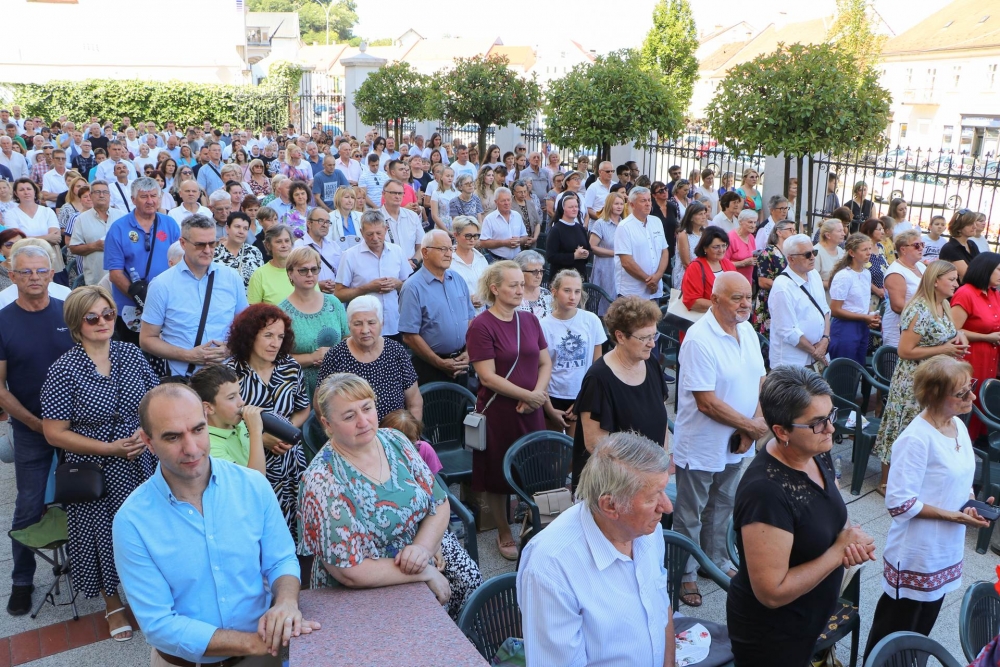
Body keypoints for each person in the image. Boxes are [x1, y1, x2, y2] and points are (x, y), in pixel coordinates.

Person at [113, 383, 319, 667]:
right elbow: (159, 624)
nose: (191, 447)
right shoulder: (132, 521)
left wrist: (286, 602)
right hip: (198, 659)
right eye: (172, 437)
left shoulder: (252, 485)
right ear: (148, 442)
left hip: (260, 657)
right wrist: (256, 643)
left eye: (198, 429)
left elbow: (281, 559)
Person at [298, 373, 481, 619]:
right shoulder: (321, 480)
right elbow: (349, 572)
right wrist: (422, 571)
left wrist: (423, 549)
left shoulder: (395, 440)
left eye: (367, 408)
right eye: (350, 416)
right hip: (365, 587)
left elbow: (439, 502)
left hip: (420, 549)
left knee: (473, 592)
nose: (363, 421)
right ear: (327, 424)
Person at [727, 366, 876, 665]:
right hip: (773, 636)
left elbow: (830, 504)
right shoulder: (765, 492)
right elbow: (772, 592)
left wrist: (850, 538)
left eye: (830, 416)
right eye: (818, 423)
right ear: (782, 431)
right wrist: (837, 553)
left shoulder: (815, 449)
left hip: (809, 619)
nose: (831, 429)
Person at [40, 286, 158, 640]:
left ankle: (150, 595)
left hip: (141, 460)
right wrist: (108, 449)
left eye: (108, 314)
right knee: (103, 536)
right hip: (96, 467)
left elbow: (155, 397)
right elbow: (53, 432)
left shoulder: (130, 353)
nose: (103, 322)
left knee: (150, 531)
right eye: (92, 317)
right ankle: (113, 604)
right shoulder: (63, 370)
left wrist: (145, 431)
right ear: (77, 322)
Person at [865, 356, 992, 662]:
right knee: (895, 631)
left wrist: (970, 505)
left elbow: (960, 479)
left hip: (945, 549)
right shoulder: (916, 439)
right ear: (935, 394)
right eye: (962, 393)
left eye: (970, 388)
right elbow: (899, 502)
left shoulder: (958, 426)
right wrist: (953, 515)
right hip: (917, 552)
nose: (972, 397)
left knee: (921, 631)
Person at [518, 432, 675, 667]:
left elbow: (662, 610)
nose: (667, 507)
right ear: (610, 505)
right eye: (653, 497)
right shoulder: (551, 567)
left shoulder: (647, 532)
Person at [674, 273, 767, 607]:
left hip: (738, 439)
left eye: (748, 297)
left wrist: (751, 426)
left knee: (724, 503)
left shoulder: (748, 332)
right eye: (736, 298)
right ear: (714, 300)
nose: (745, 304)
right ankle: (683, 573)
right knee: (690, 512)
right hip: (702, 442)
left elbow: (760, 380)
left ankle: (713, 560)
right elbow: (706, 402)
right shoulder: (700, 339)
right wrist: (752, 428)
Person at [0, 244, 74, 615]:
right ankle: (22, 580)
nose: (33, 277)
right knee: (29, 504)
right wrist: (35, 423)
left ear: (51, 273)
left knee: (85, 495)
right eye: (25, 271)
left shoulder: (68, 314)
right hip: (31, 428)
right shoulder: (2, 320)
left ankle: (90, 563)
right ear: (11, 276)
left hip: (77, 426)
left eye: (40, 271)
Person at [466, 261, 551, 559]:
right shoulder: (481, 325)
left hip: (532, 409)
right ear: (495, 289)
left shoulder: (529, 320)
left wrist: (537, 396)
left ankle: (533, 526)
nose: (520, 289)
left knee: (536, 470)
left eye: (521, 283)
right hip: (500, 413)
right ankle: (503, 531)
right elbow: (487, 377)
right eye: (513, 284)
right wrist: (530, 395)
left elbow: (545, 362)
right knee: (497, 474)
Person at [873, 261, 969, 493]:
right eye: (952, 279)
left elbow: (948, 331)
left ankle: (915, 477)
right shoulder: (919, 308)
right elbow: (904, 351)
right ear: (936, 281)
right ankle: (886, 482)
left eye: (957, 279)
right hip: (913, 380)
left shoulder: (943, 304)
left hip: (936, 378)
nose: (957, 283)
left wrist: (961, 336)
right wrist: (943, 350)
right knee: (903, 425)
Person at [573, 296, 668, 486]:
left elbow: (662, 419)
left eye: (653, 336)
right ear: (620, 336)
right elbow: (596, 445)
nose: (652, 344)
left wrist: (660, 465)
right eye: (644, 338)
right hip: (614, 484)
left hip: (649, 476)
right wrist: (639, 476)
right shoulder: (598, 379)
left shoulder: (650, 364)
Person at [140, 214, 248, 379]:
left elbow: (245, 327)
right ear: (183, 243)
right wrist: (188, 356)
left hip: (228, 378)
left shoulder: (231, 277)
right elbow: (147, 339)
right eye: (199, 245)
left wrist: (231, 348)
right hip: (185, 380)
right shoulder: (162, 284)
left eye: (212, 244)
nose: (207, 250)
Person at [317, 294, 422, 422]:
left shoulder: (396, 351)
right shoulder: (335, 356)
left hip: (395, 435)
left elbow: (414, 402)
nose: (365, 330)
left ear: (381, 323)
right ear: (349, 325)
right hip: (352, 437)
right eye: (358, 324)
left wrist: (409, 438)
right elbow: (320, 404)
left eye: (371, 322)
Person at [104, 176, 182, 343]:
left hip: (166, 306)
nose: (150, 201)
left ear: (160, 198)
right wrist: (141, 298)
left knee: (164, 357)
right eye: (144, 196)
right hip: (130, 309)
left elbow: (181, 262)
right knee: (133, 357)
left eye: (154, 196)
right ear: (133, 199)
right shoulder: (118, 228)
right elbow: (115, 274)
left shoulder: (170, 224)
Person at [399, 230, 475, 387]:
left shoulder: (458, 280)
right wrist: (439, 363)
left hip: (461, 363)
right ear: (425, 252)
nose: (449, 254)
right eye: (442, 249)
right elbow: (409, 335)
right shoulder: (412, 287)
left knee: (461, 409)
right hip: (429, 367)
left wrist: (468, 352)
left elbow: (470, 319)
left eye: (450, 249)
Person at [540, 269, 606, 438]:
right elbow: (541, 369)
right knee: (553, 452)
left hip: (582, 393)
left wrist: (583, 399)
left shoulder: (591, 320)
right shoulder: (544, 325)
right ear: (554, 292)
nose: (573, 297)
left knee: (574, 454)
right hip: (552, 395)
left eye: (577, 291)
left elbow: (597, 366)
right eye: (567, 290)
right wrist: (549, 408)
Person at [277, 246, 349, 398]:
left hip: (336, 385)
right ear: (290, 273)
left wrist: (335, 354)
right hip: (299, 388)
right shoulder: (281, 312)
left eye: (314, 269)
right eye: (303, 270)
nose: (309, 274)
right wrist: (311, 358)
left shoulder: (333, 303)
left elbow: (347, 339)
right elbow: (278, 357)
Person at [334, 210, 412, 338]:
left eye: (378, 233)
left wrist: (397, 284)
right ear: (361, 232)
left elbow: (408, 287)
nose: (375, 238)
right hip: (363, 330)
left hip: (394, 325)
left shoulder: (397, 251)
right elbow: (338, 295)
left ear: (386, 229)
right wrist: (367, 288)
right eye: (370, 234)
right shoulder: (350, 255)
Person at [948, 252, 1000, 441]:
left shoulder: (994, 292)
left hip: (990, 358)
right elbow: (954, 329)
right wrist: (986, 337)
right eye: (999, 269)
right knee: (966, 402)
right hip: (970, 357)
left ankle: (975, 442)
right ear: (986, 270)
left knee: (981, 400)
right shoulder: (966, 293)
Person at [767, 234, 831, 370]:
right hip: (793, 362)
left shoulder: (814, 275)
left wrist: (825, 339)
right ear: (791, 259)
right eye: (807, 254)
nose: (813, 257)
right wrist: (815, 351)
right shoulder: (782, 287)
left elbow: (825, 309)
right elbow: (788, 331)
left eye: (814, 252)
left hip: (817, 357)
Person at [189, 363, 267, 475]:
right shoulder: (210, 448)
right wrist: (255, 432)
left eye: (239, 393)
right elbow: (255, 483)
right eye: (231, 397)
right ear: (209, 408)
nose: (242, 402)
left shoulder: (235, 421)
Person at [827, 233, 879, 366]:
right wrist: (863, 317)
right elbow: (835, 309)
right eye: (864, 250)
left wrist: (870, 316)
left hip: (862, 326)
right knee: (844, 369)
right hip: (846, 328)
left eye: (869, 249)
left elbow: (862, 300)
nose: (869, 253)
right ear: (852, 252)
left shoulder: (866, 273)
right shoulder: (844, 276)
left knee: (857, 367)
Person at [68, 180, 121, 287]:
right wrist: (94, 246)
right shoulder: (81, 219)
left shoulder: (122, 217)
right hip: (95, 280)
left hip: (121, 279)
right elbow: (73, 248)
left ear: (110, 195)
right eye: (97, 192)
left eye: (105, 192)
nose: (102, 195)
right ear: (91, 196)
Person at [882, 230, 927, 348]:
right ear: (903, 249)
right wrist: (927, 313)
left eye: (922, 244)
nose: (921, 248)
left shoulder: (921, 266)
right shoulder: (896, 272)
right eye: (917, 245)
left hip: (919, 325)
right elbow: (897, 306)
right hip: (899, 328)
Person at [753, 219, 795, 336]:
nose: (794, 233)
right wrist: (788, 286)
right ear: (779, 232)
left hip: (787, 298)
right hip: (769, 299)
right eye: (790, 230)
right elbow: (763, 281)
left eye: (794, 230)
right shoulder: (768, 252)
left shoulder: (791, 252)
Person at [587, 192, 626, 316]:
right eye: (616, 204)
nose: (619, 207)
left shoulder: (625, 224)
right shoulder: (601, 224)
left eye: (621, 204)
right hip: (605, 267)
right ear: (609, 205)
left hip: (622, 269)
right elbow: (592, 246)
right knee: (605, 300)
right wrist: (615, 253)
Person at [681, 227, 737, 313]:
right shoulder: (695, 267)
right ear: (705, 248)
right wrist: (722, 306)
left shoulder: (728, 264)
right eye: (716, 247)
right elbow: (692, 301)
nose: (721, 250)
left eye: (724, 245)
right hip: (704, 318)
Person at [293, 207, 340, 292]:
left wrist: (337, 284)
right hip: (309, 297)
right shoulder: (298, 247)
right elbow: (293, 277)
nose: (325, 225)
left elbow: (341, 273)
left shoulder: (334, 246)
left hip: (334, 298)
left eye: (327, 222)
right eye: (320, 221)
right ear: (309, 224)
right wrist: (317, 285)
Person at [248, 224, 296, 306]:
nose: (284, 245)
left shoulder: (304, 270)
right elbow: (254, 313)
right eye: (278, 241)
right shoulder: (259, 275)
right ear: (268, 245)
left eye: (287, 241)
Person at [545, 192, 590, 278]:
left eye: (576, 207)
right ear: (563, 209)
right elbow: (551, 257)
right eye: (571, 207)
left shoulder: (580, 228)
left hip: (580, 275)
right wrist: (573, 256)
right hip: (562, 277)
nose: (574, 209)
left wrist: (586, 253)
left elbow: (589, 249)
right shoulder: (556, 230)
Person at [214, 211, 264, 288]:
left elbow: (261, 281)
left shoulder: (254, 252)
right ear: (227, 229)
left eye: (245, 228)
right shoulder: (215, 253)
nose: (241, 232)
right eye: (237, 227)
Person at [450, 216, 489, 312]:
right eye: (468, 236)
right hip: (459, 314)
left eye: (476, 236)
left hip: (481, 315)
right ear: (456, 235)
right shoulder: (449, 260)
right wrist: (467, 299)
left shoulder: (481, 258)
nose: (472, 240)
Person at [380, 178, 422, 266]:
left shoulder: (412, 216)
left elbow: (421, 245)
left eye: (400, 193)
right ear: (384, 194)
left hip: (412, 268)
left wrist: (414, 261)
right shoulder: (375, 217)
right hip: (385, 268)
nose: (397, 196)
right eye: (393, 193)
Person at [479, 187, 528, 262]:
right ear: (496, 202)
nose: (507, 203)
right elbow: (483, 243)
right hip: (497, 260)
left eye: (508, 200)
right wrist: (504, 243)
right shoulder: (489, 219)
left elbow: (525, 236)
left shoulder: (517, 215)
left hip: (517, 260)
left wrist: (519, 241)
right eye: (503, 200)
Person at [671, 201, 707, 290]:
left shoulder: (705, 233)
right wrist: (701, 276)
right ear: (691, 217)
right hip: (689, 274)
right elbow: (686, 263)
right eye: (700, 214)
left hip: (705, 271)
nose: (704, 217)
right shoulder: (684, 234)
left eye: (704, 213)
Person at [940, 209, 981, 282]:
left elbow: (982, 268)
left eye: (974, 223)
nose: (974, 227)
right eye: (970, 224)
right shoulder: (950, 248)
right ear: (958, 228)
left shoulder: (972, 244)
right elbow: (968, 276)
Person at [814, 219, 846, 300]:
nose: (843, 234)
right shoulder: (816, 253)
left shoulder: (841, 251)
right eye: (839, 231)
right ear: (828, 235)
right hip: (823, 299)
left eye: (843, 230)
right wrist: (835, 284)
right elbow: (812, 281)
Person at [513, 249, 551, 319]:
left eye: (541, 271)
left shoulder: (546, 294)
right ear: (520, 272)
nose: (539, 276)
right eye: (534, 272)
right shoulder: (512, 296)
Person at [726, 210, 758, 285]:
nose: (753, 225)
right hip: (733, 281)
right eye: (750, 222)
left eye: (755, 222)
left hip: (748, 280)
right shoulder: (730, 237)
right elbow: (723, 263)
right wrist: (742, 263)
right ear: (740, 222)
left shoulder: (751, 237)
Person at [329, 186, 363, 254]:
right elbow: (328, 241)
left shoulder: (361, 216)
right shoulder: (330, 217)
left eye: (352, 197)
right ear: (338, 199)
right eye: (346, 197)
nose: (350, 200)